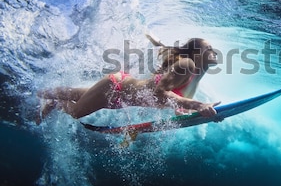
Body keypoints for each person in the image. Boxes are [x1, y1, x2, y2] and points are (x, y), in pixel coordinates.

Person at [37, 37, 220, 123]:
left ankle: (40, 92)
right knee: (76, 112)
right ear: (196, 54)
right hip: (115, 89)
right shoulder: (186, 65)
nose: (213, 51)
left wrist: (204, 114)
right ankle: (55, 102)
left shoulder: (196, 76)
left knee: (75, 94)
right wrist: (197, 105)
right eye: (208, 48)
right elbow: (159, 92)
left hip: (120, 98)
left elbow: (177, 105)